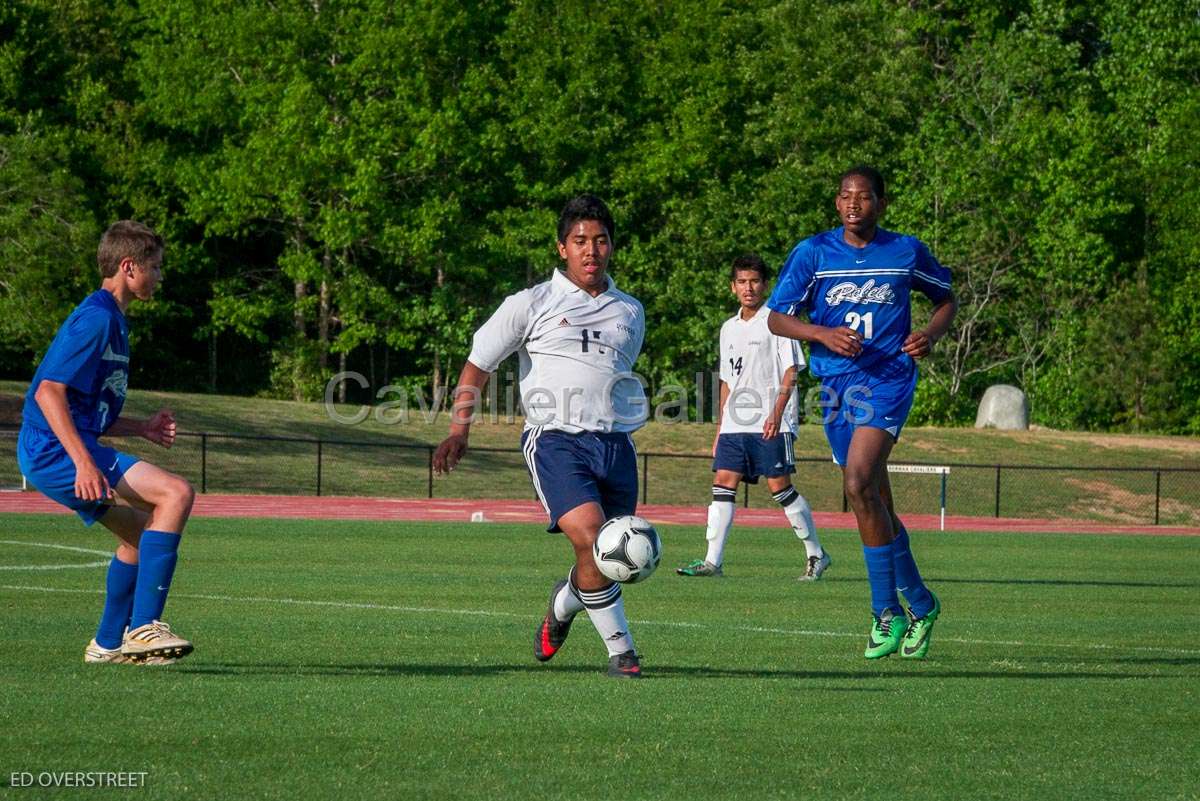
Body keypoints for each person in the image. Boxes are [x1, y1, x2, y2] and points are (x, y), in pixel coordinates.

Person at [433, 195, 647, 679]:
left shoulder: (630, 311)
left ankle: (564, 603)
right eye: (580, 242)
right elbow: (478, 365)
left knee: (610, 561)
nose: (591, 250)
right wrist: (458, 430)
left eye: (600, 240)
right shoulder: (531, 303)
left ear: (612, 247)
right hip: (555, 441)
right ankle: (623, 652)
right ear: (562, 248)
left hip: (615, 446)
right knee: (594, 538)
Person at [766, 166, 957, 660]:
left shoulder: (905, 250)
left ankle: (884, 611)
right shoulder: (814, 253)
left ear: (881, 203)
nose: (854, 204)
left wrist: (930, 336)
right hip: (835, 387)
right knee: (878, 502)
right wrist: (820, 334)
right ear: (837, 203)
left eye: (865, 197)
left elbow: (945, 300)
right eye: (846, 196)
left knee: (857, 485)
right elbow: (776, 316)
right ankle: (921, 601)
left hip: (888, 378)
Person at [18, 220, 196, 665]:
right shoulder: (97, 318)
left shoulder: (113, 319)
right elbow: (47, 392)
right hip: (53, 450)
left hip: (58, 446)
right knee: (175, 493)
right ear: (128, 266)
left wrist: (141, 428)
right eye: (154, 267)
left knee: (140, 534)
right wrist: (82, 462)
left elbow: (81, 408)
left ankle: (106, 645)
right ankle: (143, 629)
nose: (159, 276)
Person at [676, 255, 829, 580]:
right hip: (735, 424)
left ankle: (816, 553)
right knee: (722, 484)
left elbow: (791, 372)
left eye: (755, 281)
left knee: (780, 488)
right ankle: (712, 562)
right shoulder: (728, 329)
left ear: (765, 285)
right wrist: (720, 427)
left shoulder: (777, 321)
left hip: (770, 421)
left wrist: (776, 413)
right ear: (733, 287)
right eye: (742, 282)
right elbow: (727, 381)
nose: (749, 287)